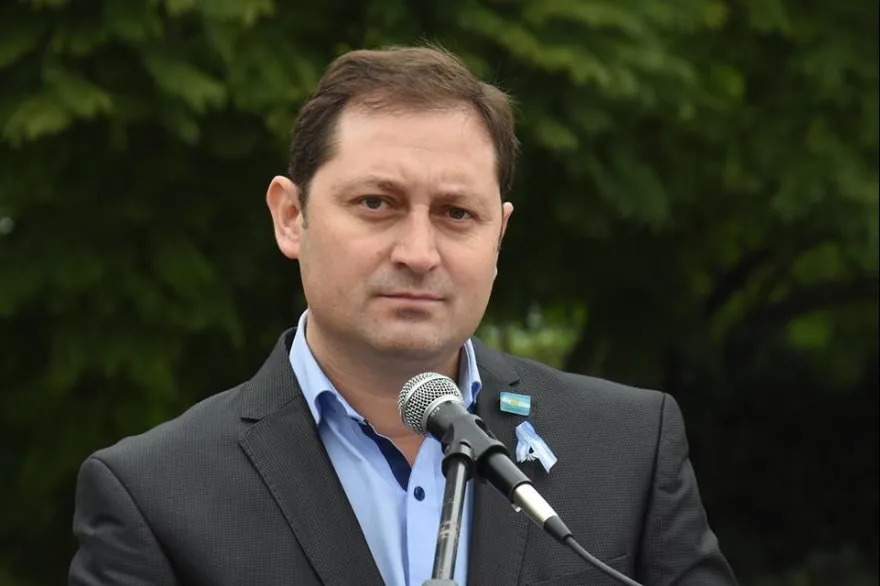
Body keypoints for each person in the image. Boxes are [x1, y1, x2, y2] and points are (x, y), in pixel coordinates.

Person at [68, 44, 737, 586]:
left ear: (499, 236)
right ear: (291, 216)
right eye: (376, 204)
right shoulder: (156, 495)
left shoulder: (628, 448)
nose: (419, 253)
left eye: (456, 213)